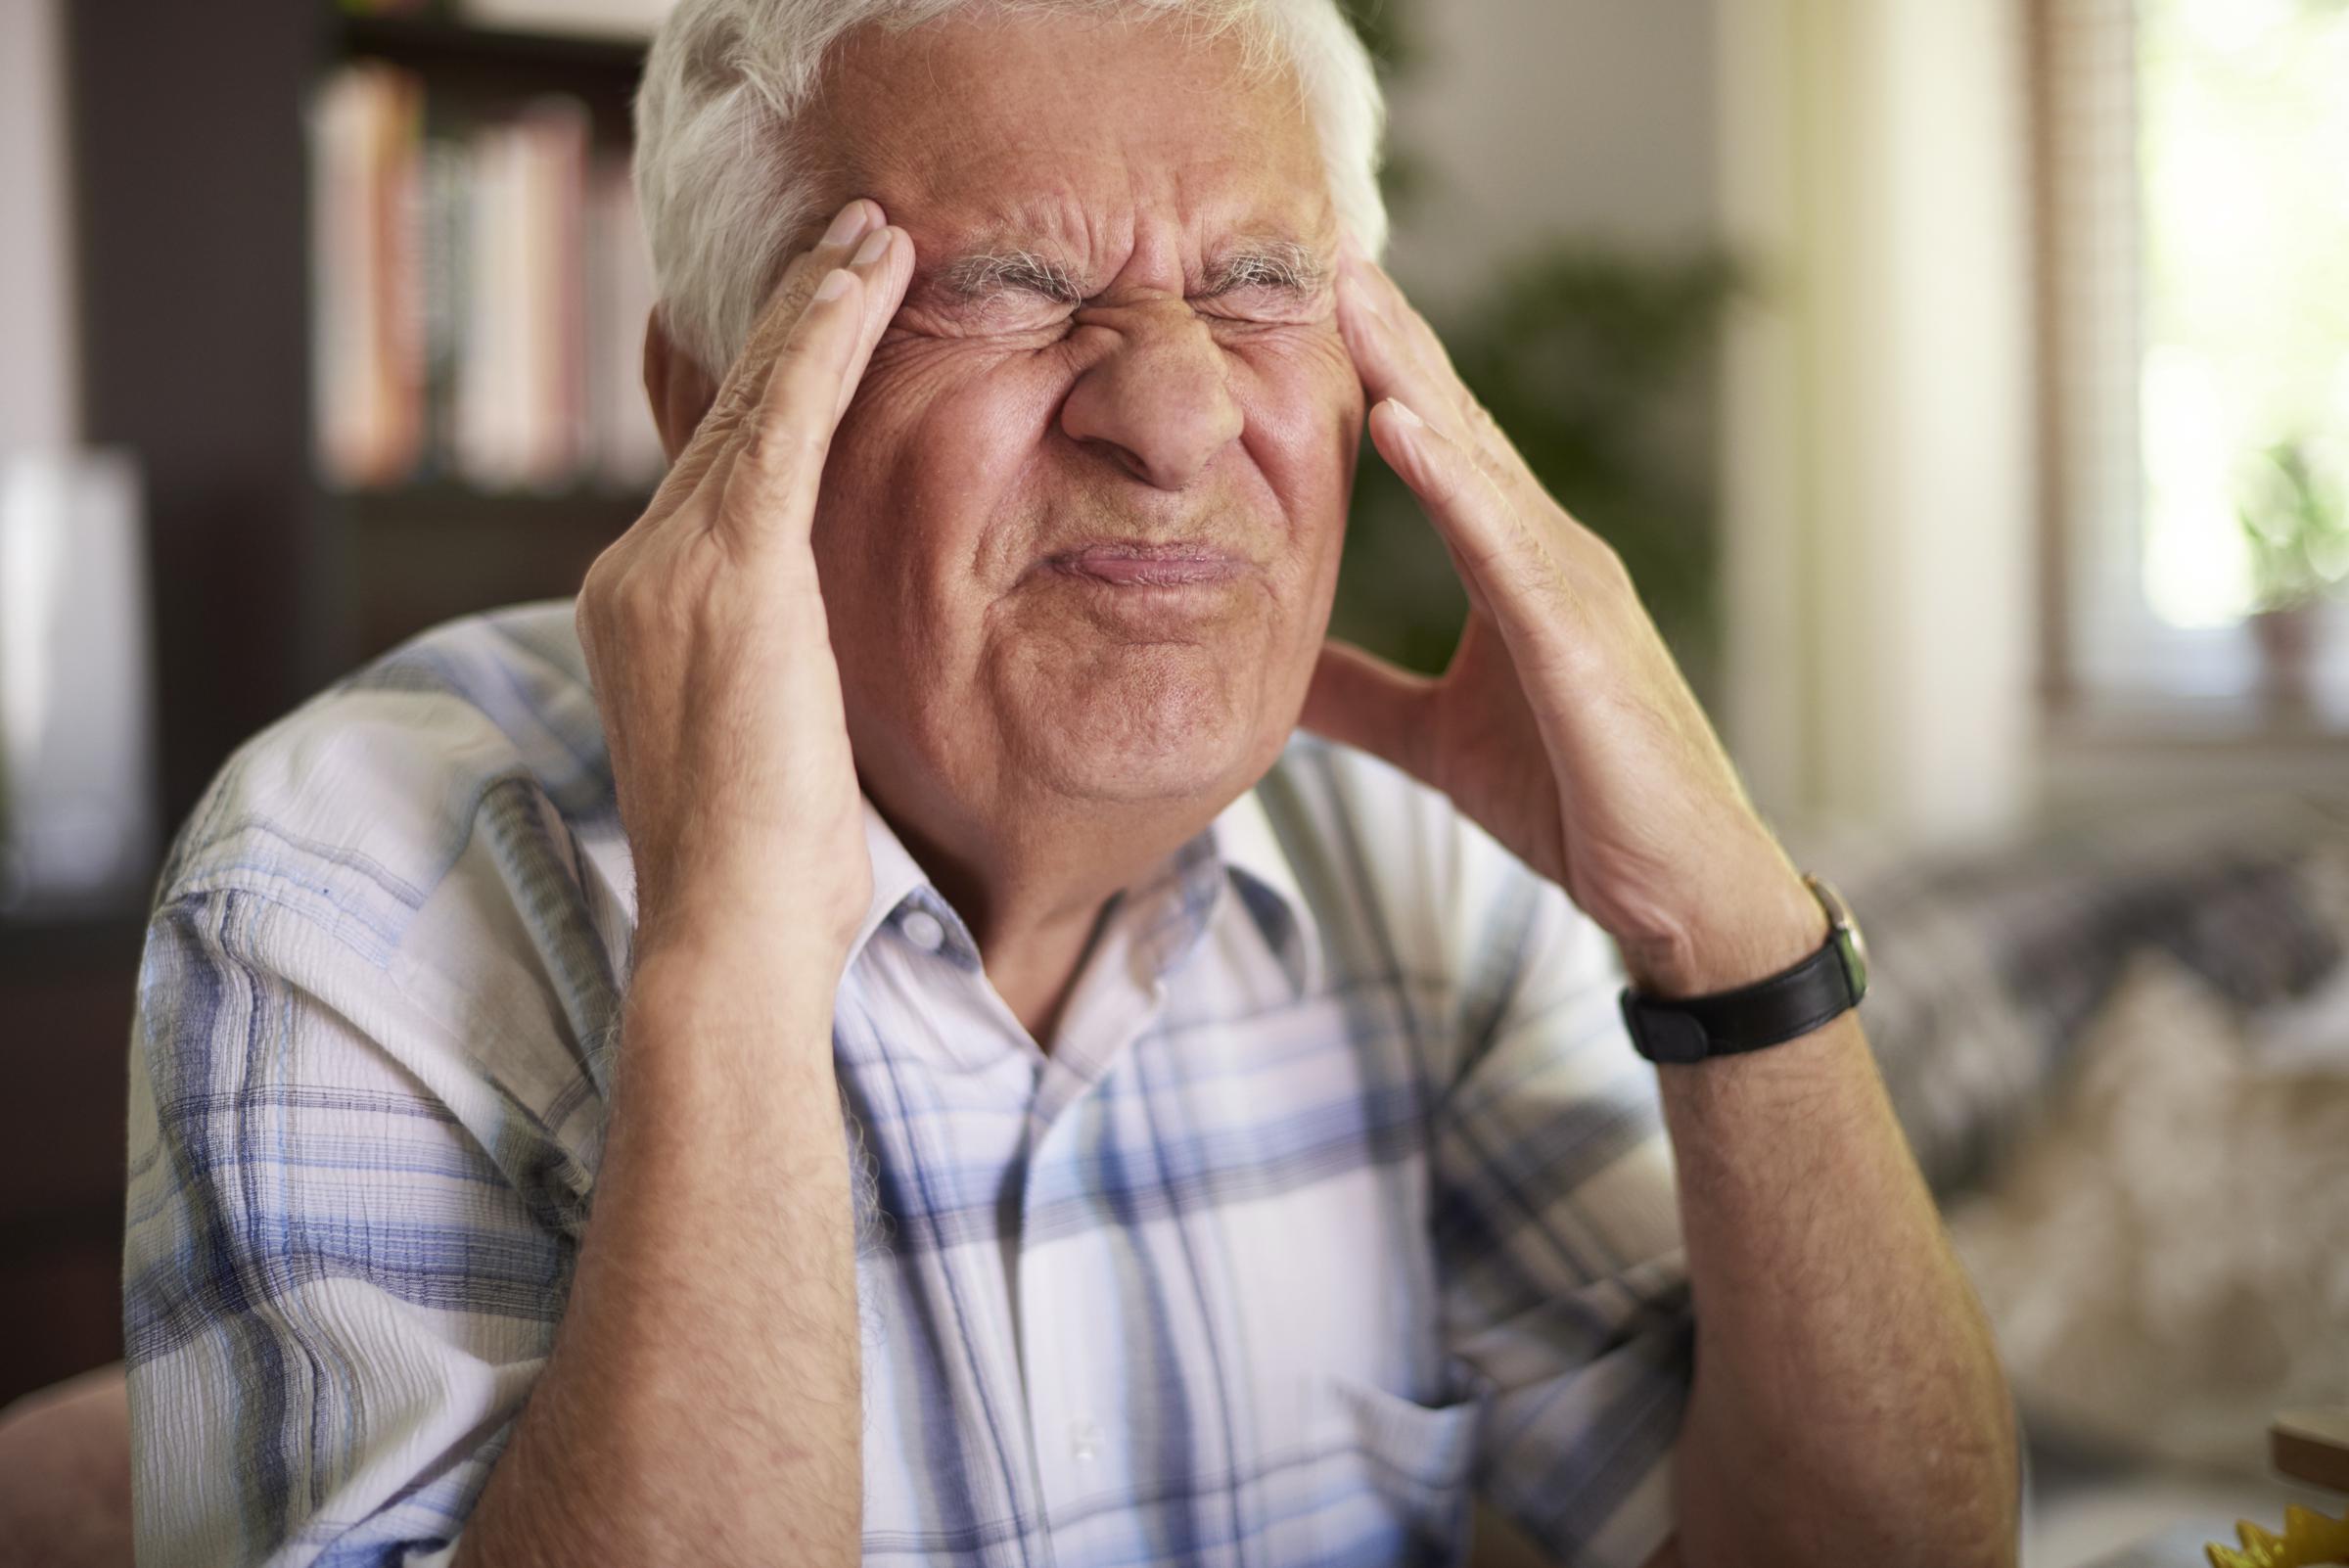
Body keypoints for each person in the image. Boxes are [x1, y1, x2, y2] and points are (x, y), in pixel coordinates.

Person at [120, 1, 2019, 1564]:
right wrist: (734, 962)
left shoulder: (1409, 862)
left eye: (1264, 284)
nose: (1179, 415)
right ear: (709, 414)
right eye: (1012, 288)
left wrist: (1729, 922)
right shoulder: (335, 888)